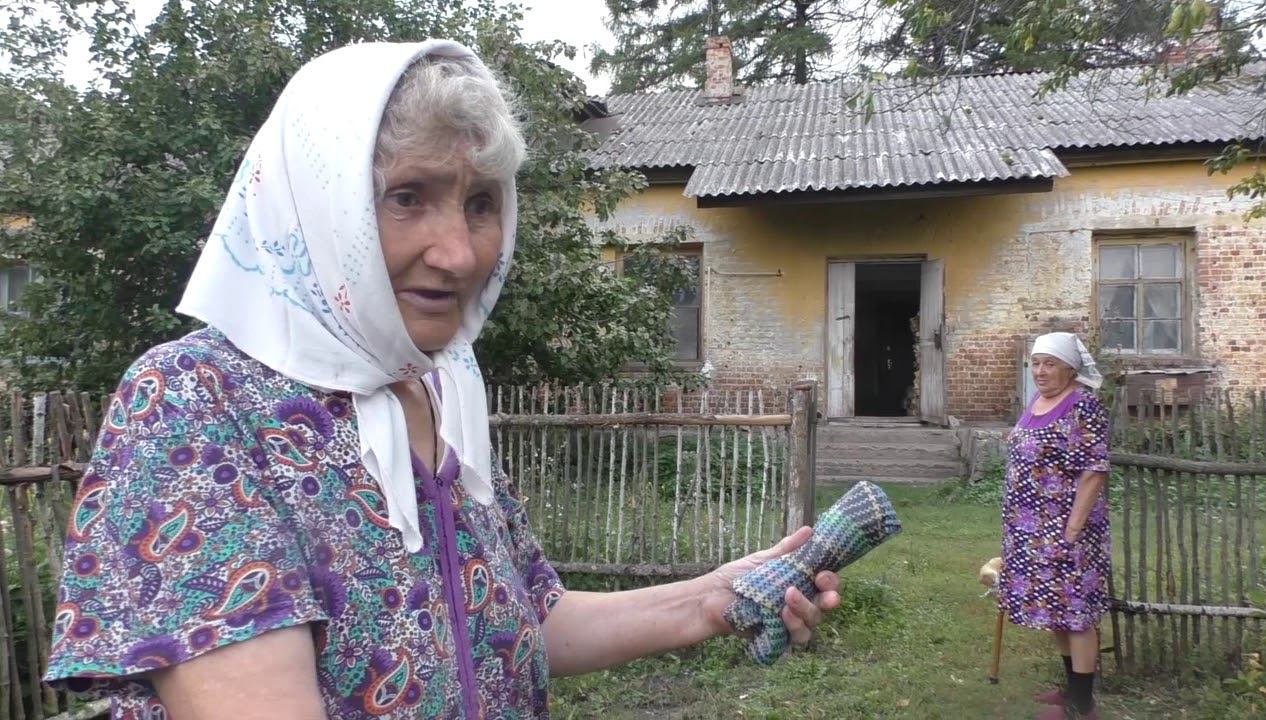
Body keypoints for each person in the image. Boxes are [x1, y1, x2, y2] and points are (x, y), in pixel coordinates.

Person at [43, 41, 841, 720]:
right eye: (407, 197)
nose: (459, 253)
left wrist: (709, 598)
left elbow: (528, 616)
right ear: (317, 204)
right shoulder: (197, 402)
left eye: (481, 203)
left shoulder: (440, 383)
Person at [999, 331, 1111, 720]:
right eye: (1035, 363)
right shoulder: (1037, 401)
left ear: (1070, 369)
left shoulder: (1083, 406)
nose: (1040, 371)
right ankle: (1070, 689)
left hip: (1067, 530)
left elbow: (1094, 471)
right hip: (1031, 530)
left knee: (1076, 612)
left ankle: (1083, 703)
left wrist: (1072, 532)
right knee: (1055, 609)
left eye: (1050, 364)